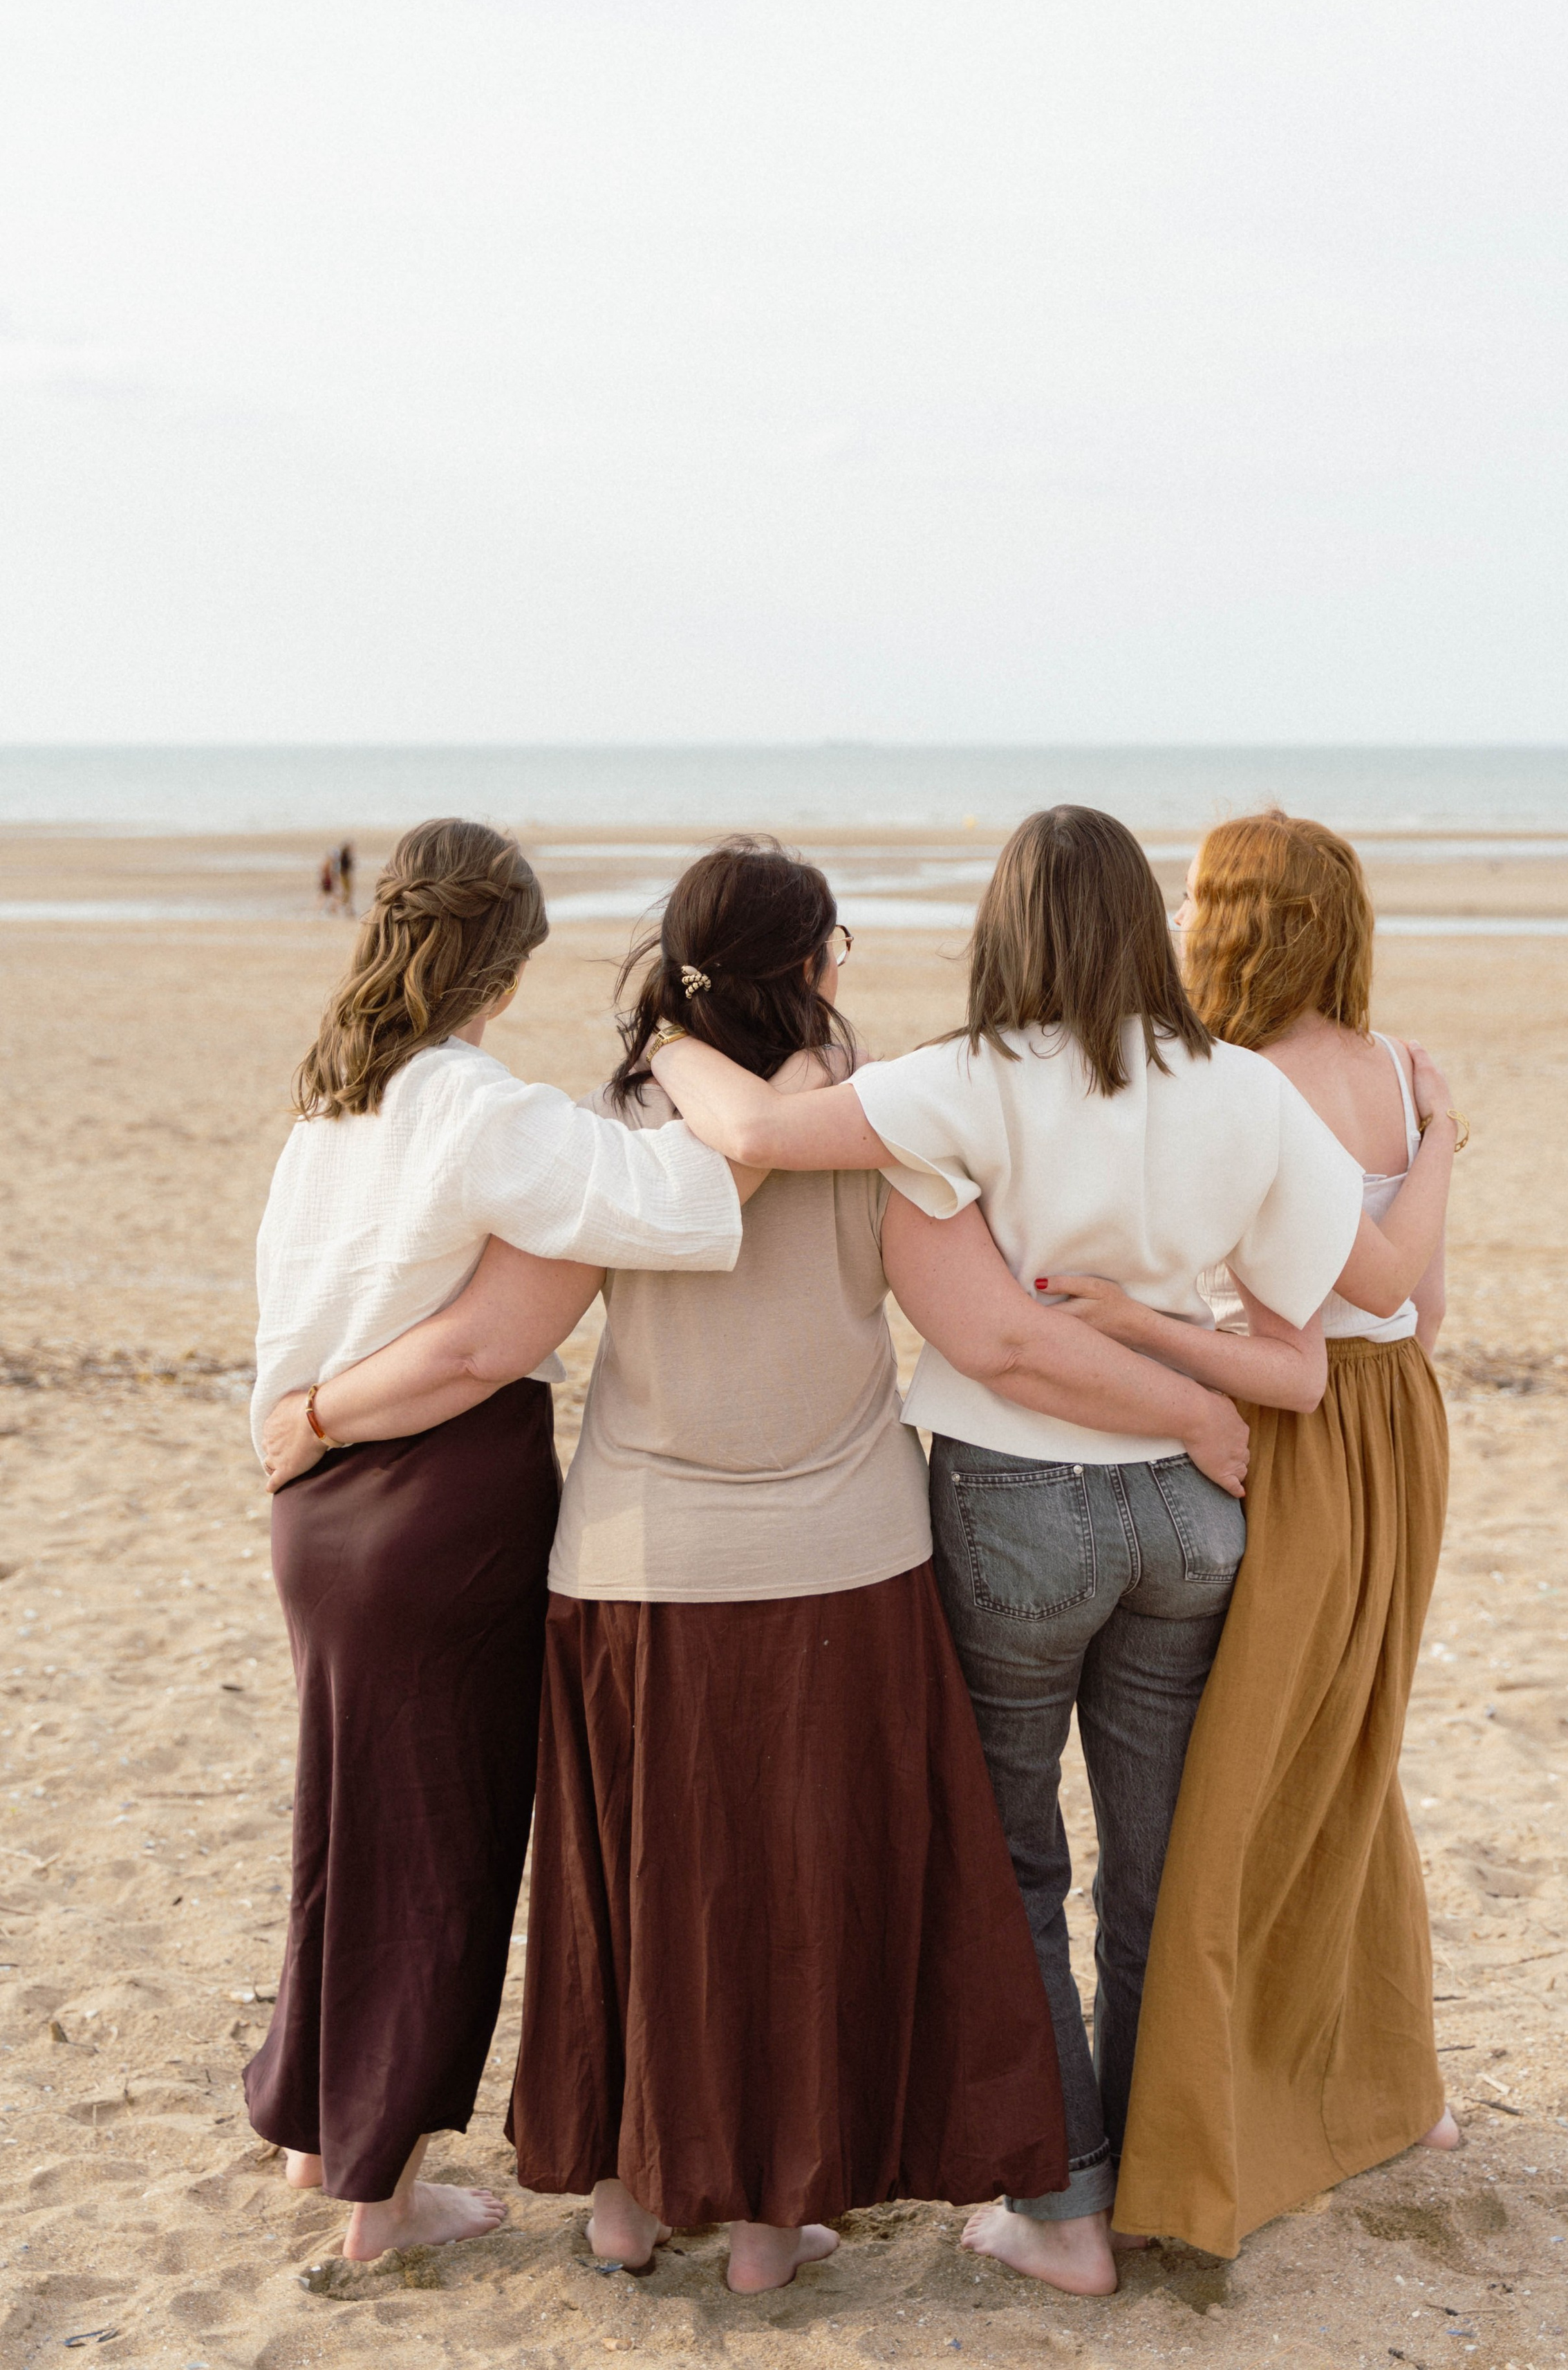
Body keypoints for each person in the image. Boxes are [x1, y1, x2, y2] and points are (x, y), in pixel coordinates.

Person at [259, 837, 1260, 2293]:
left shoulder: (616, 1123)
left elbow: (506, 1329)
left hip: (636, 1560)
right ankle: (767, 2223)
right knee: (800, 1895)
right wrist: (1190, 1401)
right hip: (842, 1557)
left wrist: (315, 1409)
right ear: (811, 968)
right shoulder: (875, 1129)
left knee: (645, 1891)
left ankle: (624, 2194)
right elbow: (985, 1332)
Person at [646, 804, 1456, 2295]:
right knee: (1161, 1865)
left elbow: (751, 1134)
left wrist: (666, 1034)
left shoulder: (964, 1077)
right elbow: (1307, 1361)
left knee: (1015, 1858)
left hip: (1014, 1509)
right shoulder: (1243, 1089)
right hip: (1190, 1515)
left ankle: (1063, 2209)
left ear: (1003, 925)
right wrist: (1177, 1371)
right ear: (1149, 924)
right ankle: (1158, 2180)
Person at [246, 817, 756, 2265]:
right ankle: (381, 2203)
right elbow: (685, 1200)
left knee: (345, 1826)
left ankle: (317, 2133)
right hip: (433, 1506)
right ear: (510, 967)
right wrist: (754, 1094)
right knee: (440, 1849)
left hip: (316, 1510)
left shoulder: (335, 1098)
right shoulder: (484, 1109)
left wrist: (313, 1419)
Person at [1106, 811, 1461, 2257]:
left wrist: (1138, 1328)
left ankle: (1219, 2131)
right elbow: (1423, 1315)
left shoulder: (1245, 1083)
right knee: (1353, 1741)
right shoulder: (1398, 1071)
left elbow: (1311, 1330)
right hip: (1405, 1425)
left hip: (1301, 1434)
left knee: (1245, 1769)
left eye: (1200, 899)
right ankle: (1396, 2085)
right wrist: (1442, 1143)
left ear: (1237, 924)